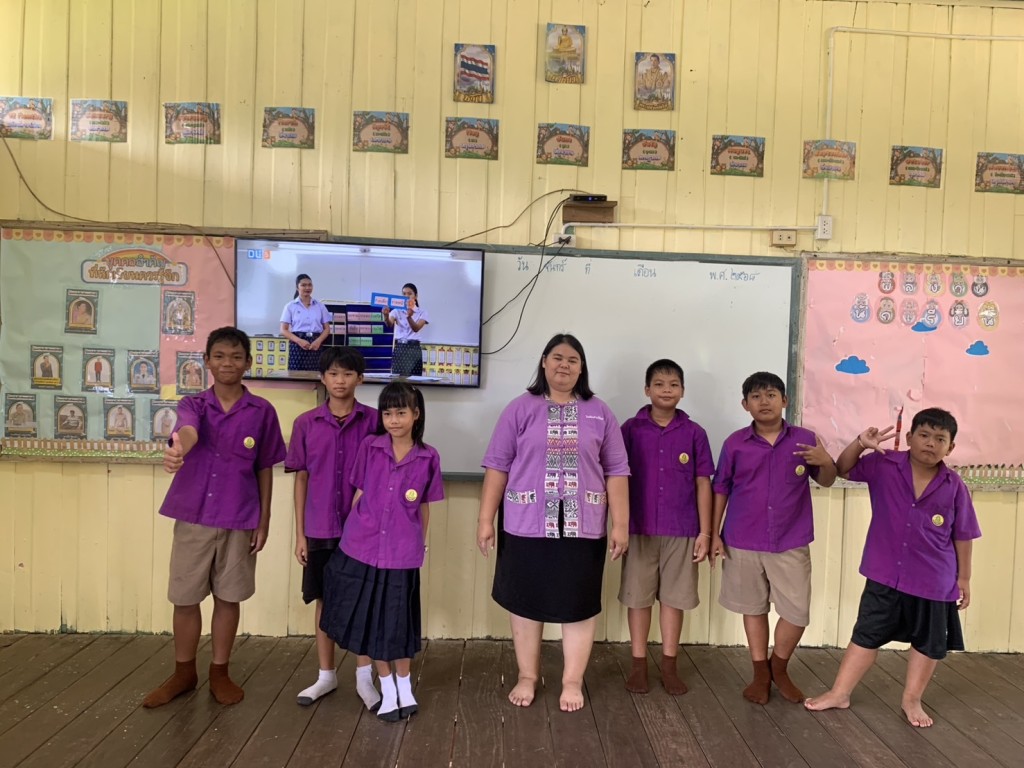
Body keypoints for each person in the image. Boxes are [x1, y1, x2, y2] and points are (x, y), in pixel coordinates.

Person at [477, 333, 630, 713]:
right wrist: (485, 520)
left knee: (577, 605)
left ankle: (572, 681)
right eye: (557, 357)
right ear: (544, 362)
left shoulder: (600, 412)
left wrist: (620, 524)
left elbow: (616, 470)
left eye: (573, 359)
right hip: (525, 525)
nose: (564, 365)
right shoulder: (519, 409)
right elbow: (497, 466)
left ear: (582, 368)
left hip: (583, 527)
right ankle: (527, 676)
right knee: (525, 603)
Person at [805, 408, 981, 727]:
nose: (930, 443)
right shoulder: (884, 464)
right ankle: (839, 693)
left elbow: (963, 535)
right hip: (885, 573)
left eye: (940, 439)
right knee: (866, 634)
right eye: (924, 435)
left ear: (950, 447)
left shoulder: (954, 485)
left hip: (934, 580)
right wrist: (860, 443)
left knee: (927, 643)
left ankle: (912, 700)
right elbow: (843, 469)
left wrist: (964, 578)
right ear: (910, 437)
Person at [143, 327, 286, 709]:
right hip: (195, 516)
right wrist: (178, 450)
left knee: (228, 597)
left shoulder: (262, 412)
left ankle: (219, 672)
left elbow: (265, 467)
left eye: (236, 357)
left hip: (240, 518)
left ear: (248, 363)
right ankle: (184, 673)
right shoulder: (194, 405)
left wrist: (264, 520)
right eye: (219, 356)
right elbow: (187, 432)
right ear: (206, 361)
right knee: (185, 598)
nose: (227, 363)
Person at [709, 371, 837, 705]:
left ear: (785, 400)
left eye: (770, 395)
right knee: (752, 608)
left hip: (790, 540)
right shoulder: (734, 444)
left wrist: (826, 462)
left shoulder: (805, 439)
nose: (763, 401)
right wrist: (713, 534)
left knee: (796, 612)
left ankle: (778, 668)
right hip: (742, 539)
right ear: (745, 404)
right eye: (755, 396)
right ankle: (760, 675)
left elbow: (826, 480)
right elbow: (720, 488)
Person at [319, 382, 443, 722]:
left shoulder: (429, 457)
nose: (393, 420)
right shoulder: (370, 447)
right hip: (362, 548)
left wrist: (420, 543)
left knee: (398, 624)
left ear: (416, 415)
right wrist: (351, 533)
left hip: (402, 554)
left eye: (401, 413)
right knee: (371, 621)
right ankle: (387, 688)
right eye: (387, 413)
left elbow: (424, 507)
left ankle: (405, 686)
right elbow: (359, 494)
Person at [286, 347, 379, 709]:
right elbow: (301, 478)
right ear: (322, 378)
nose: (340, 381)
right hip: (320, 527)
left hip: (363, 529)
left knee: (363, 599)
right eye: (334, 374)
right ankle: (326, 675)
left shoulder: (375, 421)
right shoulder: (305, 423)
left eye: (348, 374)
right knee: (324, 599)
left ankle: (364, 677)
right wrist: (300, 534)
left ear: (361, 378)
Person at [618, 359, 713, 695]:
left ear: (683, 391)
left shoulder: (694, 433)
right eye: (659, 384)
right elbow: (615, 478)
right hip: (638, 528)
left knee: (674, 600)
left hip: (682, 529)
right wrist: (618, 525)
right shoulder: (630, 429)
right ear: (647, 390)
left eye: (674, 385)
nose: (666, 390)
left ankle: (670, 666)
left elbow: (703, 483)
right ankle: (638, 666)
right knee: (638, 599)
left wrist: (705, 532)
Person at [280, 273, 332, 371]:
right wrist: (299, 341)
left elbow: (327, 329)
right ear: (297, 287)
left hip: (316, 343)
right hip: (297, 343)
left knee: (316, 373)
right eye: (303, 285)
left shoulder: (320, 306)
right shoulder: (290, 306)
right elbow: (283, 330)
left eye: (309, 285)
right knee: (295, 374)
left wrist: (318, 341)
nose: (307, 288)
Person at [382, 283, 429, 377]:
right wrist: (386, 315)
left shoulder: (422, 312)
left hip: (414, 349)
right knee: (398, 379)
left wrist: (409, 317)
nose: (406, 296)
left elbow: (416, 328)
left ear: (416, 296)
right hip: (400, 348)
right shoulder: (396, 311)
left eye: (410, 293)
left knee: (414, 379)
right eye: (404, 294)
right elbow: (389, 324)